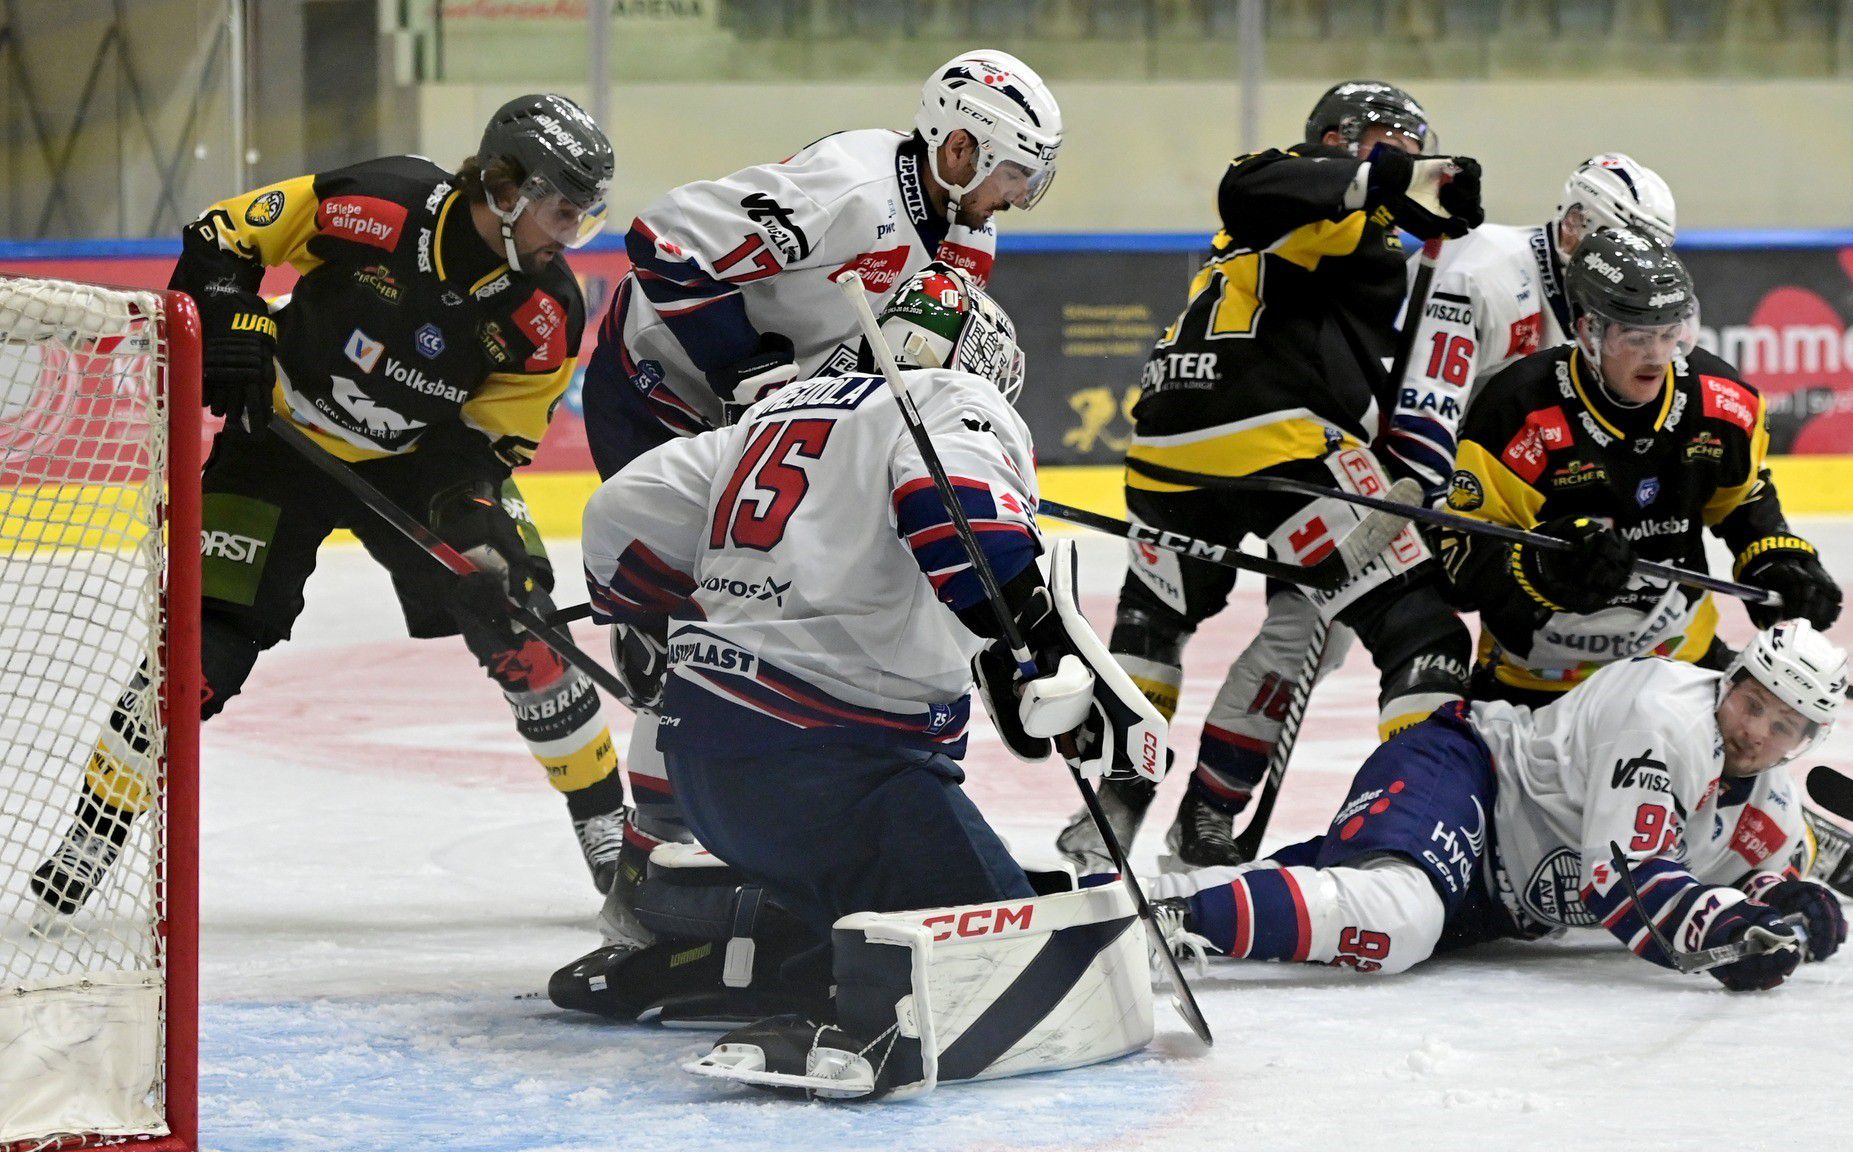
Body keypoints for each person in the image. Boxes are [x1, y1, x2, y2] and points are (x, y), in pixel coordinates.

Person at [567, 265, 1165, 1099]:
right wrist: (1040, 637)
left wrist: (696, 614)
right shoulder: (953, 398)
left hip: (709, 769)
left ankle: (722, 958)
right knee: (1016, 957)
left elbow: (616, 520)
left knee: (863, 895)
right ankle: (855, 1026)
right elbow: (956, 513)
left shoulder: (774, 411)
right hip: (840, 771)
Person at [31, 94, 626, 915]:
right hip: (276, 443)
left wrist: (479, 539)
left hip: (416, 465)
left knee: (523, 626)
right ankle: (96, 826)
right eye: (562, 210)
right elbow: (222, 238)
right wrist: (233, 317)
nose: (570, 233)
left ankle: (606, 824)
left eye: (581, 215)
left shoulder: (546, 311)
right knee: (201, 651)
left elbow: (485, 448)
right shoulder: (380, 202)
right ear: (505, 185)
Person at [577, 49, 1063, 911]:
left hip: (780, 407)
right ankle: (650, 870)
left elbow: (908, 356)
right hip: (665, 384)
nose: (1019, 197)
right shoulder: (851, 188)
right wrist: (752, 374)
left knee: (795, 586)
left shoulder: (970, 229)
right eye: (1015, 174)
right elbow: (665, 241)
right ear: (960, 149)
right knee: (715, 614)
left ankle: (729, 830)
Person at [1057, 80, 1483, 874]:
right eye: (1386, 142)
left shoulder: (1297, 230)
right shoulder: (1339, 208)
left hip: (1169, 450)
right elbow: (1248, 181)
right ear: (1337, 141)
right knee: (1420, 632)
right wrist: (1383, 183)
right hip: (1282, 446)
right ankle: (1387, 813)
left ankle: (1112, 810)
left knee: (1159, 626)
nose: (1406, 160)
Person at [1433, 225, 1853, 902]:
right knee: (1530, 855)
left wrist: (1780, 560)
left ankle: (1790, 833)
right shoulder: (1515, 410)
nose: (1655, 356)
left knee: (1725, 756)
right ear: (1587, 332)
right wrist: (1547, 568)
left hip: (1677, 662)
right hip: (1540, 682)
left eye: (1669, 334)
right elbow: (1462, 561)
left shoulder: (1720, 404)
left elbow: (1744, 503)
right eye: (1632, 336)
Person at [1151, 622, 1851, 994]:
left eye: (1782, 726)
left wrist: (1790, 908)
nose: (1756, 731)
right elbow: (1622, 881)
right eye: (1753, 703)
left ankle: (1145, 903)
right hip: (1468, 775)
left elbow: (1756, 878)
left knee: (1350, 903)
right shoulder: (1663, 715)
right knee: (1397, 919)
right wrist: (1725, 928)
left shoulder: (1773, 806)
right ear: (1729, 680)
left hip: (1492, 899)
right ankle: (1160, 926)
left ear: (1801, 744)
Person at [1384, 153, 1676, 493]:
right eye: (1620, 248)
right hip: (1398, 461)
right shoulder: (1482, 277)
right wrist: (1441, 513)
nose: (1634, 270)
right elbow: (1422, 418)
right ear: (1574, 223)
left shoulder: (1604, 303)